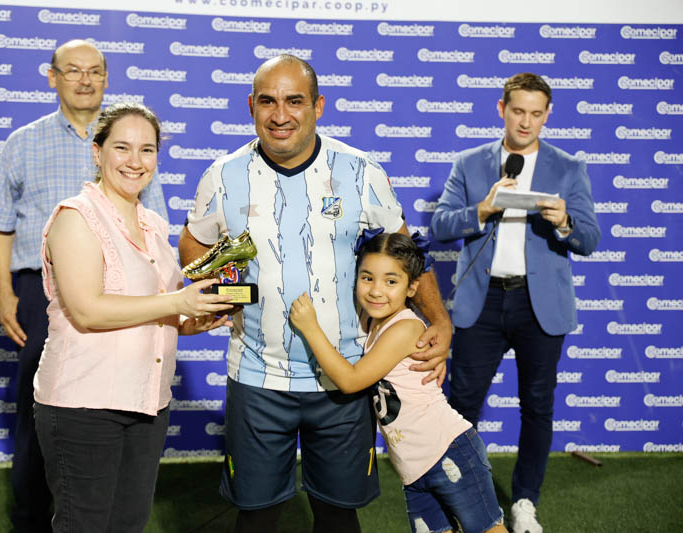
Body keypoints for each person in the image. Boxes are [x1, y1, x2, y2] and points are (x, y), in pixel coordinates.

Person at [178, 54, 453, 533]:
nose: (280, 114)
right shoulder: (222, 174)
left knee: (336, 513)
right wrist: (221, 291)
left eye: (294, 101)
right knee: (257, 515)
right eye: (267, 101)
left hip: (344, 377)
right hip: (256, 377)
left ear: (318, 106)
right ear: (251, 107)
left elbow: (406, 253)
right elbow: (194, 244)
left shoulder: (361, 171)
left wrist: (440, 321)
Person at [0, 40, 167, 532]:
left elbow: (155, 240)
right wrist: (5, 295)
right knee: (45, 417)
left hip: (133, 288)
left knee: (122, 485)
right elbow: (0, 226)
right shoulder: (25, 142)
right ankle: (31, 518)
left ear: (106, 78)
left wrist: (186, 309)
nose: (84, 80)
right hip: (47, 295)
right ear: (53, 77)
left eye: (94, 71)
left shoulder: (130, 143)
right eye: (72, 71)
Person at [33, 102, 233, 532]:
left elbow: (156, 311)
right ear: (97, 151)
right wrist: (177, 304)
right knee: (83, 524)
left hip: (146, 403)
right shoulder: (76, 218)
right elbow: (87, 310)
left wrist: (194, 319)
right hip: (83, 403)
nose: (135, 161)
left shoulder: (154, 226)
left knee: (129, 523)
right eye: (122, 147)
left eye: (147, 150)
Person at [430, 72, 600, 533]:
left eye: (536, 113)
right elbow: (441, 225)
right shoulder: (469, 163)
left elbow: (590, 240)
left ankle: (524, 502)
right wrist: (482, 210)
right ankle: (461, 497)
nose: (526, 122)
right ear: (501, 109)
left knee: (537, 406)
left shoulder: (567, 167)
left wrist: (565, 221)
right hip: (481, 305)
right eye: (518, 111)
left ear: (547, 115)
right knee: (462, 403)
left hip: (538, 305)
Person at [289, 231, 507, 533]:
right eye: (367, 278)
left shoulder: (404, 327)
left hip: (449, 448)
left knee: (487, 530)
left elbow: (351, 381)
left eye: (391, 282)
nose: (377, 290)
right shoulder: (372, 322)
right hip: (412, 468)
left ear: (412, 287)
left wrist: (310, 328)